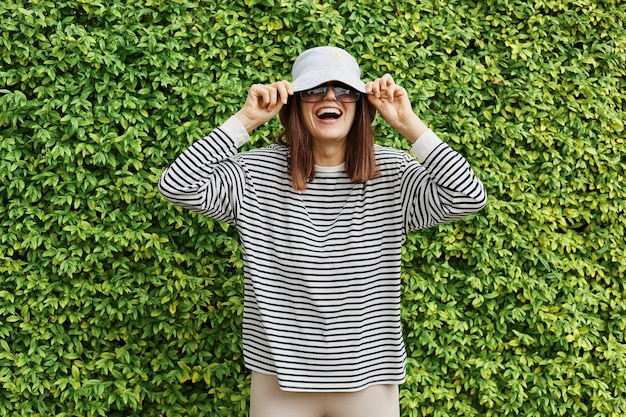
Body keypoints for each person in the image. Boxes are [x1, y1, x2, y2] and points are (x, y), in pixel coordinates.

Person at [158, 46, 487, 417]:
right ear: (294, 105)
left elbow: (468, 197)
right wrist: (245, 120)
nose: (330, 98)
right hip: (278, 381)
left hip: (370, 380)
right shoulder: (254, 174)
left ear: (362, 106)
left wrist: (407, 124)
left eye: (345, 90)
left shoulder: (393, 173)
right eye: (314, 90)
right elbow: (178, 186)